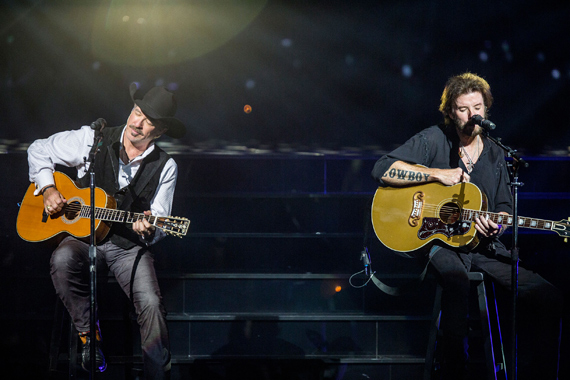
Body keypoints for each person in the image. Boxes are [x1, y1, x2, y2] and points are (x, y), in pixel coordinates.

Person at [371, 72, 563, 379]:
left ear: (487, 109)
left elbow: (503, 208)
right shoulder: (433, 139)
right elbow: (382, 169)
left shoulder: (497, 153)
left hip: (483, 247)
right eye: (463, 109)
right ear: (450, 112)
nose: (472, 115)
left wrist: (496, 226)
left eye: (478, 107)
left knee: (548, 297)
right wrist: (436, 174)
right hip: (438, 242)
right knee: (455, 280)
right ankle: (455, 370)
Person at [27, 83, 186, 379]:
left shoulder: (166, 166)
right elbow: (38, 149)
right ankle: (90, 337)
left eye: (148, 120)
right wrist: (48, 188)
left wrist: (150, 229)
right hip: (82, 238)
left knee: (151, 302)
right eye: (137, 112)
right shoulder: (95, 139)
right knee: (61, 261)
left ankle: (156, 373)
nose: (137, 123)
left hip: (127, 247)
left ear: (161, 130)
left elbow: (161, 219)